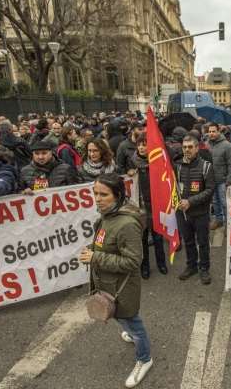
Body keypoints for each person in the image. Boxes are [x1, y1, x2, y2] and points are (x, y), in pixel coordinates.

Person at [78, 173, 153, 388]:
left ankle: (145, 358)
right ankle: (134, 336)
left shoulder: (126, 223)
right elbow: (105, 244)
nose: (98, 199)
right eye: (95, 194)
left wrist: (95, 257)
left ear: (117, 195)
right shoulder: (107, 215)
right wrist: (93, 250)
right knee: (123, 319)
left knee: (133, 322)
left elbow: (132, 261)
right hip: (108, 283)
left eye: (104, 194)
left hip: (122, 287)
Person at [175, 136, 216, 284]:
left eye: (190, 147)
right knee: (188, 242)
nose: (187, 150)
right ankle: (191, 266)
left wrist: (190, 202)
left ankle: (204, 267)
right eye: (184, 147)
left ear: (197, 148)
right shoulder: (177, 166)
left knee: (203, 243)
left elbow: (210, 190)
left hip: (201, 214)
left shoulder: (206, 166)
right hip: (183, 214)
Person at [127, 135, 167, 279]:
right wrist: (130, 173)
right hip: (140, 206)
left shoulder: (157, 161)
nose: (142, 147)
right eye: (140, 145)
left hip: (156, 205)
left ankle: (161, 263)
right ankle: (145, 267)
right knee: (143, 239)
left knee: (158, 238)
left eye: (145, 145)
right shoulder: (132, 161)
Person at [207, 123, 231, 231]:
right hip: (211, 180)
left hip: (223, 180)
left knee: (225, 203)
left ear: (219, 132)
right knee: (215, 201)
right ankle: (219, 220)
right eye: (209, 131)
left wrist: (229, 179)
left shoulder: (227, 145)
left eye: (213, 131)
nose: (211, 133)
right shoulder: (206, 145)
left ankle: (227, 225)